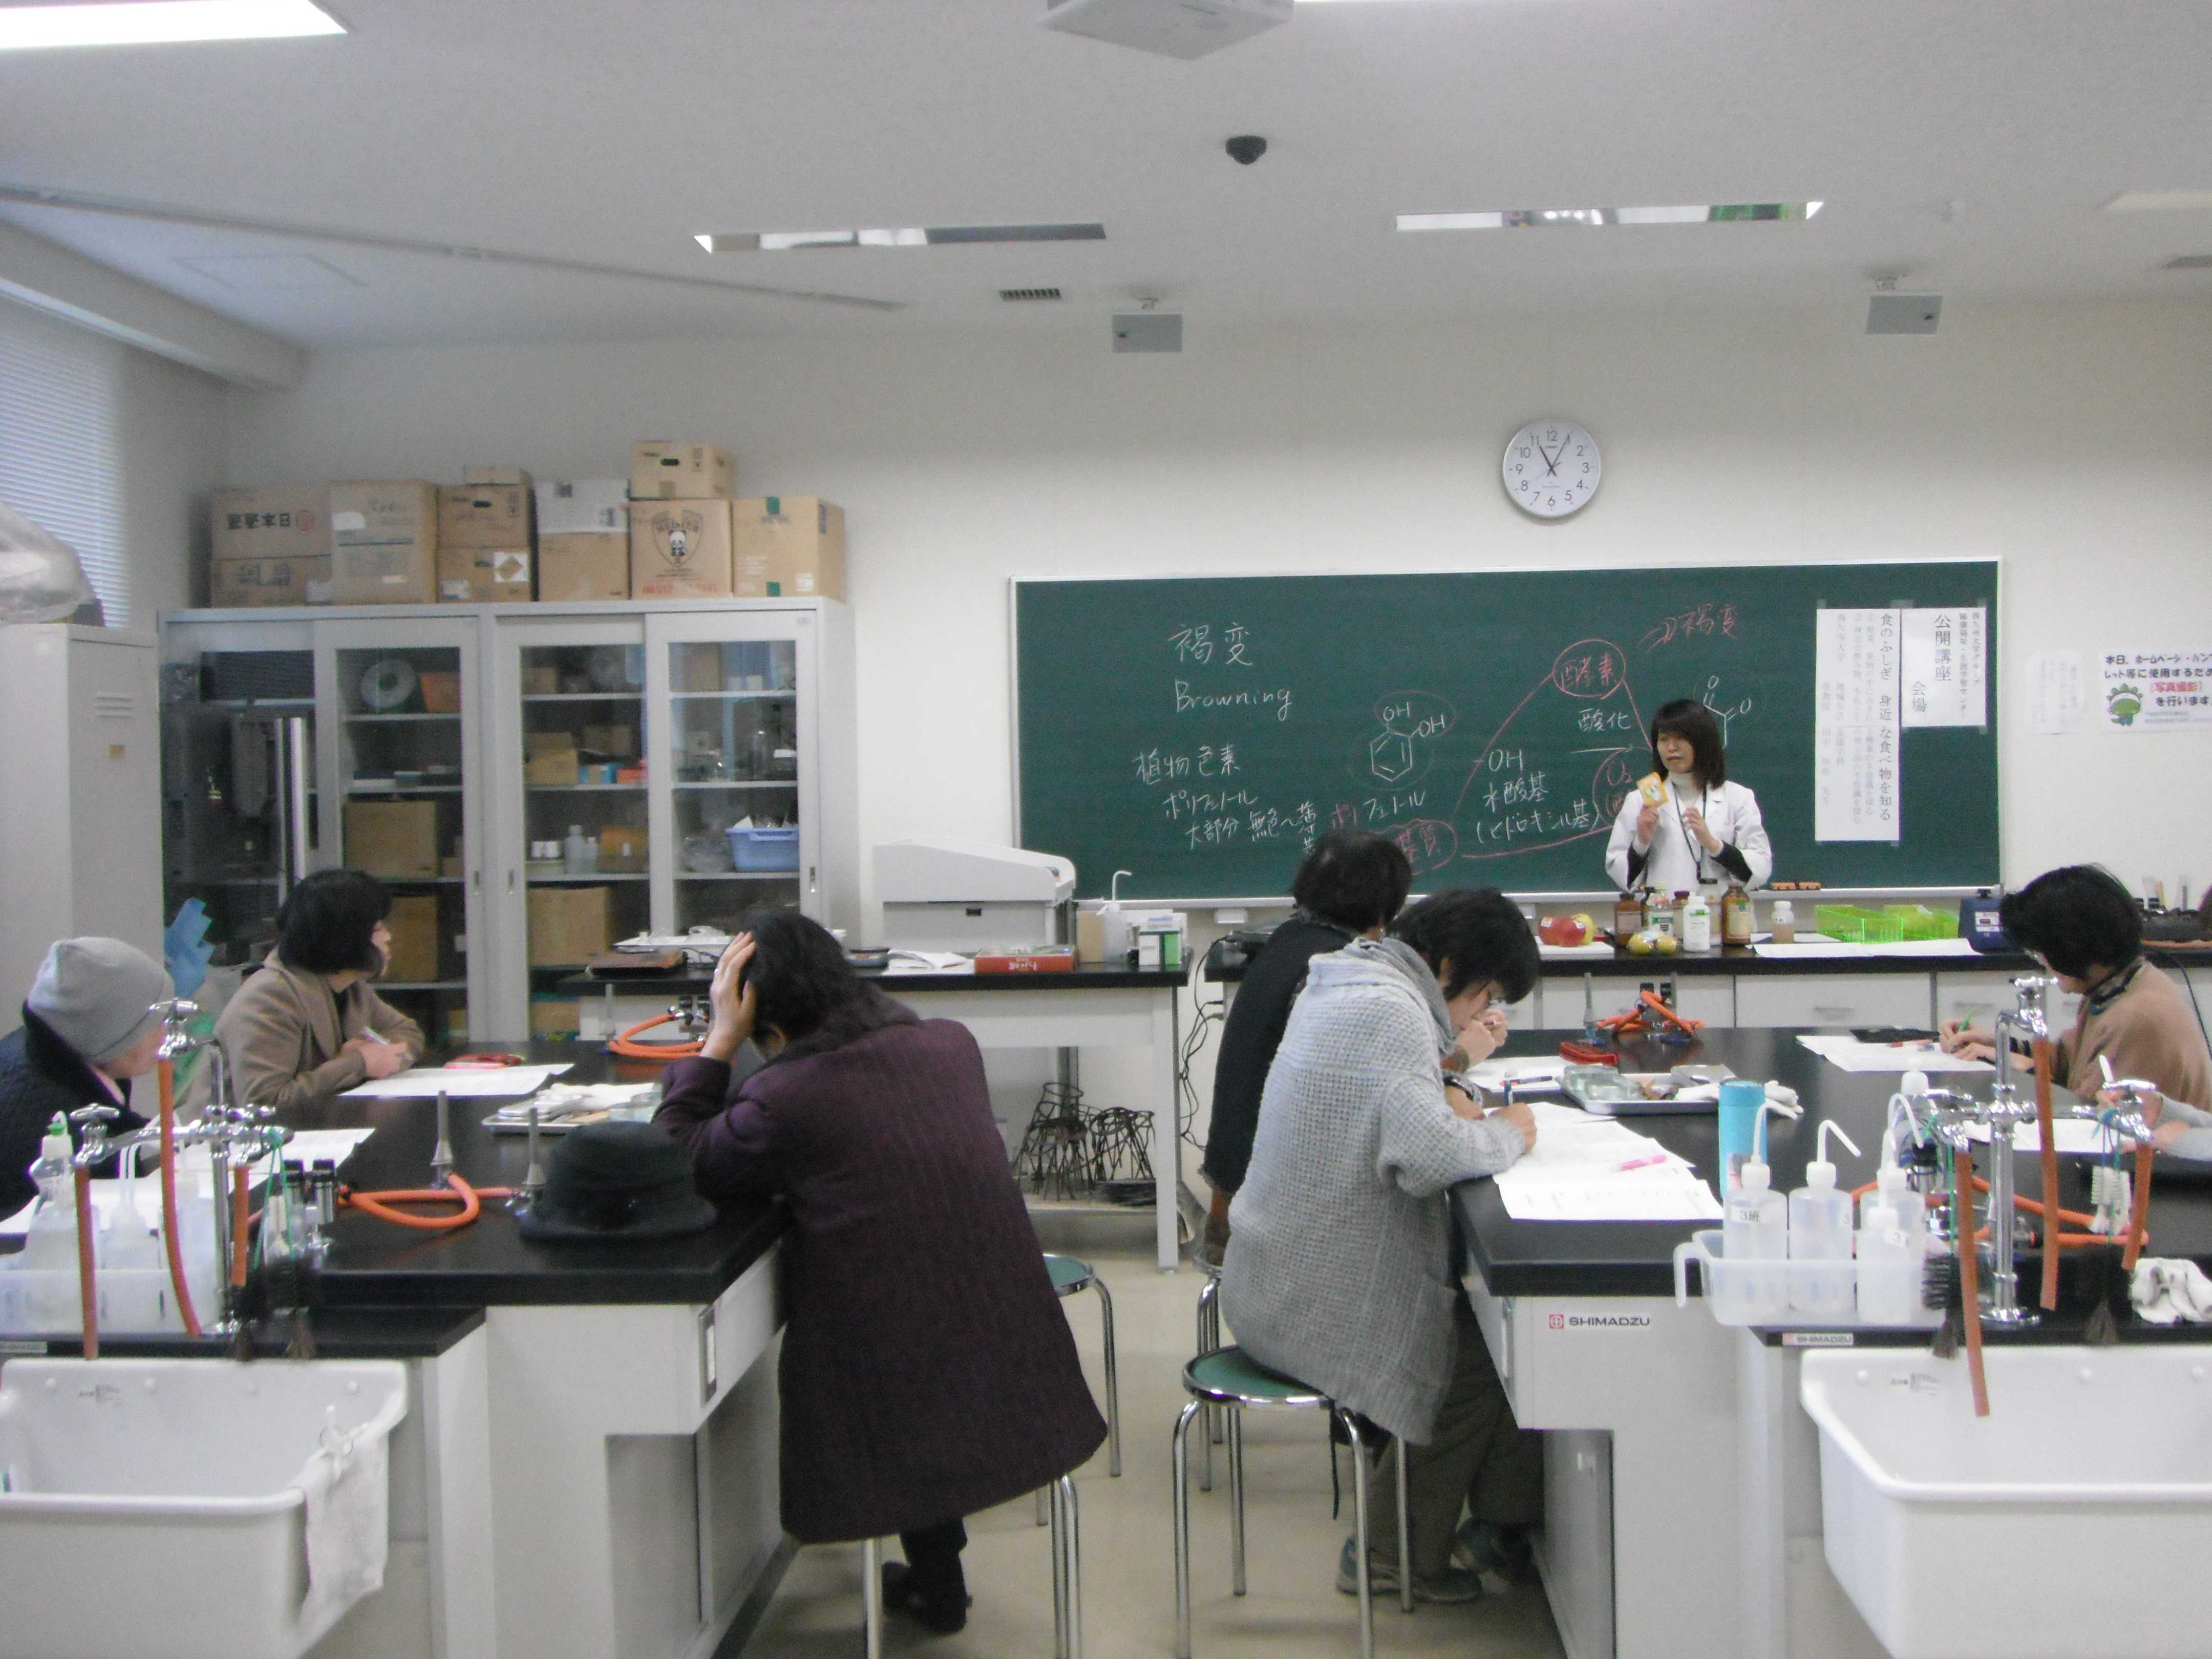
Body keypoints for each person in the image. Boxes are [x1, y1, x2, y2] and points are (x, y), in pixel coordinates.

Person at [655, 910, 1106, 1635]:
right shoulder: (950, 1044)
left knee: (886, 1324)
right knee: (907, 1297)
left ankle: (935, 1580)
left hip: (896, 1392)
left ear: (767, 1022)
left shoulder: (788, 1098)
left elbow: (679, 1159)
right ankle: (937, 1581)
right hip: (1014, 1368)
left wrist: (718, 1042)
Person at [1220, 887, 1543, 1603]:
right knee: (1481, 1351)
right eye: (1485, 994)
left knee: (1491, 1328)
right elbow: (1427, 1157)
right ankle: (1391, 1557)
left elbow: (1391, 1103)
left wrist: (1451, 1074)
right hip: (1305, 1299)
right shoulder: (1393, 1009)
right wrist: (1508, 1135)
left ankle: (1500, 1526)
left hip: (1267, 1270)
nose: (1480, 1010)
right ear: (1449, 967)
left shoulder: (1350, 975)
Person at [1199, 830, 1414, 1263]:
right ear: (1383, 909)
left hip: (1231, 1189)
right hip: (1266, 1216)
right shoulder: (1333, 970)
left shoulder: (1287, 940)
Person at [1941, 865, 2212, 1151]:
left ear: (2071, 947)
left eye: (2040, 952)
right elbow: (2069, 1062)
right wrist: (2001, 1046)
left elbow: (2088, 1115)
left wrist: (2026, 1070)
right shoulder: (2117, 987)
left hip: (2157, 1170)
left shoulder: (2135, 1016)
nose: (2043, 963)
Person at [215, 869, 423, 1112]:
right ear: (345, 936)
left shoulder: (350, 987)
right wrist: (358, 1063)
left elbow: (408, 1032)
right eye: (377, 929)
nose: (388, 937)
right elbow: (264, 1104)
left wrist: (381, 1054)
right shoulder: (270, 997)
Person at [0, 938, 172, 1217]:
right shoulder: (51, 1123)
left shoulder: (48, 1058)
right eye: (153, 1024)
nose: (165, 1036)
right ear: (109, 1034)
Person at [1603, 699, 1773, 895]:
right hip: (1664, 911)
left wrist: (1714, 846)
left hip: (1723, 910)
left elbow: (1760, 868)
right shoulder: (1642, 800)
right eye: (1664, 739)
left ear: (1703, 742)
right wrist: (1641, 842)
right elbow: (1620, 873)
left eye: (1681, 738)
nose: (1671, 747)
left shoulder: (1738, 797)